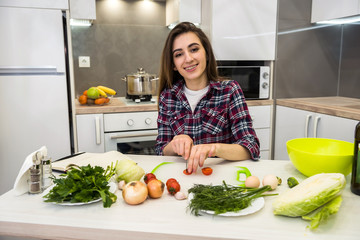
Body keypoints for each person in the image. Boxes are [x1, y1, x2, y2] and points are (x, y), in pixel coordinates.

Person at [155, 22, 260, 173]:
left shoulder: (230, 90)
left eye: (194, 49)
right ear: (173, 64)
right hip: (181, 177)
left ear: (207, 53)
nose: (188, 58)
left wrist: (214, 148)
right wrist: (174, 143)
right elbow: (160, 150)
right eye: (179, 54)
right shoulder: (168, 96)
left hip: (220, 179)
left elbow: (251, 147)